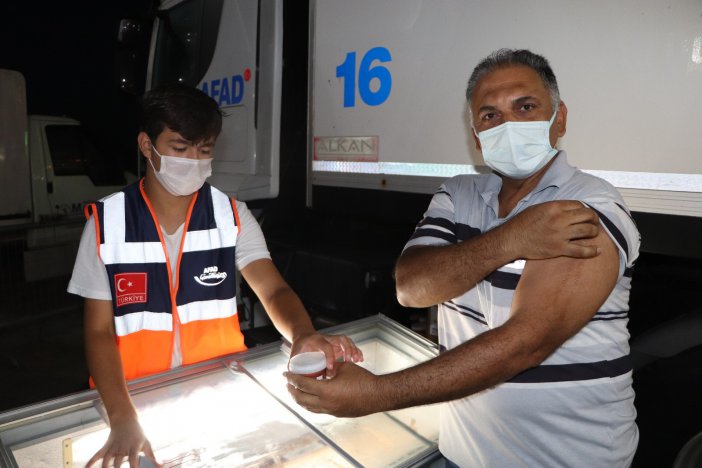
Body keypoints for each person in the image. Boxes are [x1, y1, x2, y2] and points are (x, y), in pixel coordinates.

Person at [286, 49, 640, 467]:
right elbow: (411, 287)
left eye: (525, 107)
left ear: (558, 119)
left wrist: (373, 394)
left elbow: (527, 342)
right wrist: (512, 239)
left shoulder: (590, 205)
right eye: (490, 116)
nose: (508, 125)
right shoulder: (459, 194)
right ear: (476, 137)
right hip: (463, 456)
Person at [67, 83, 363, 468]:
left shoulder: (232, 216)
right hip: (131, 400)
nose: (193, 160)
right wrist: (122, 417)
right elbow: (98, 332)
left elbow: (272, 289)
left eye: (204, 150)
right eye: (180, 148)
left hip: (218, 396)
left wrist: (303, 334)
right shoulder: (106, 223)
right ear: (146, 145)